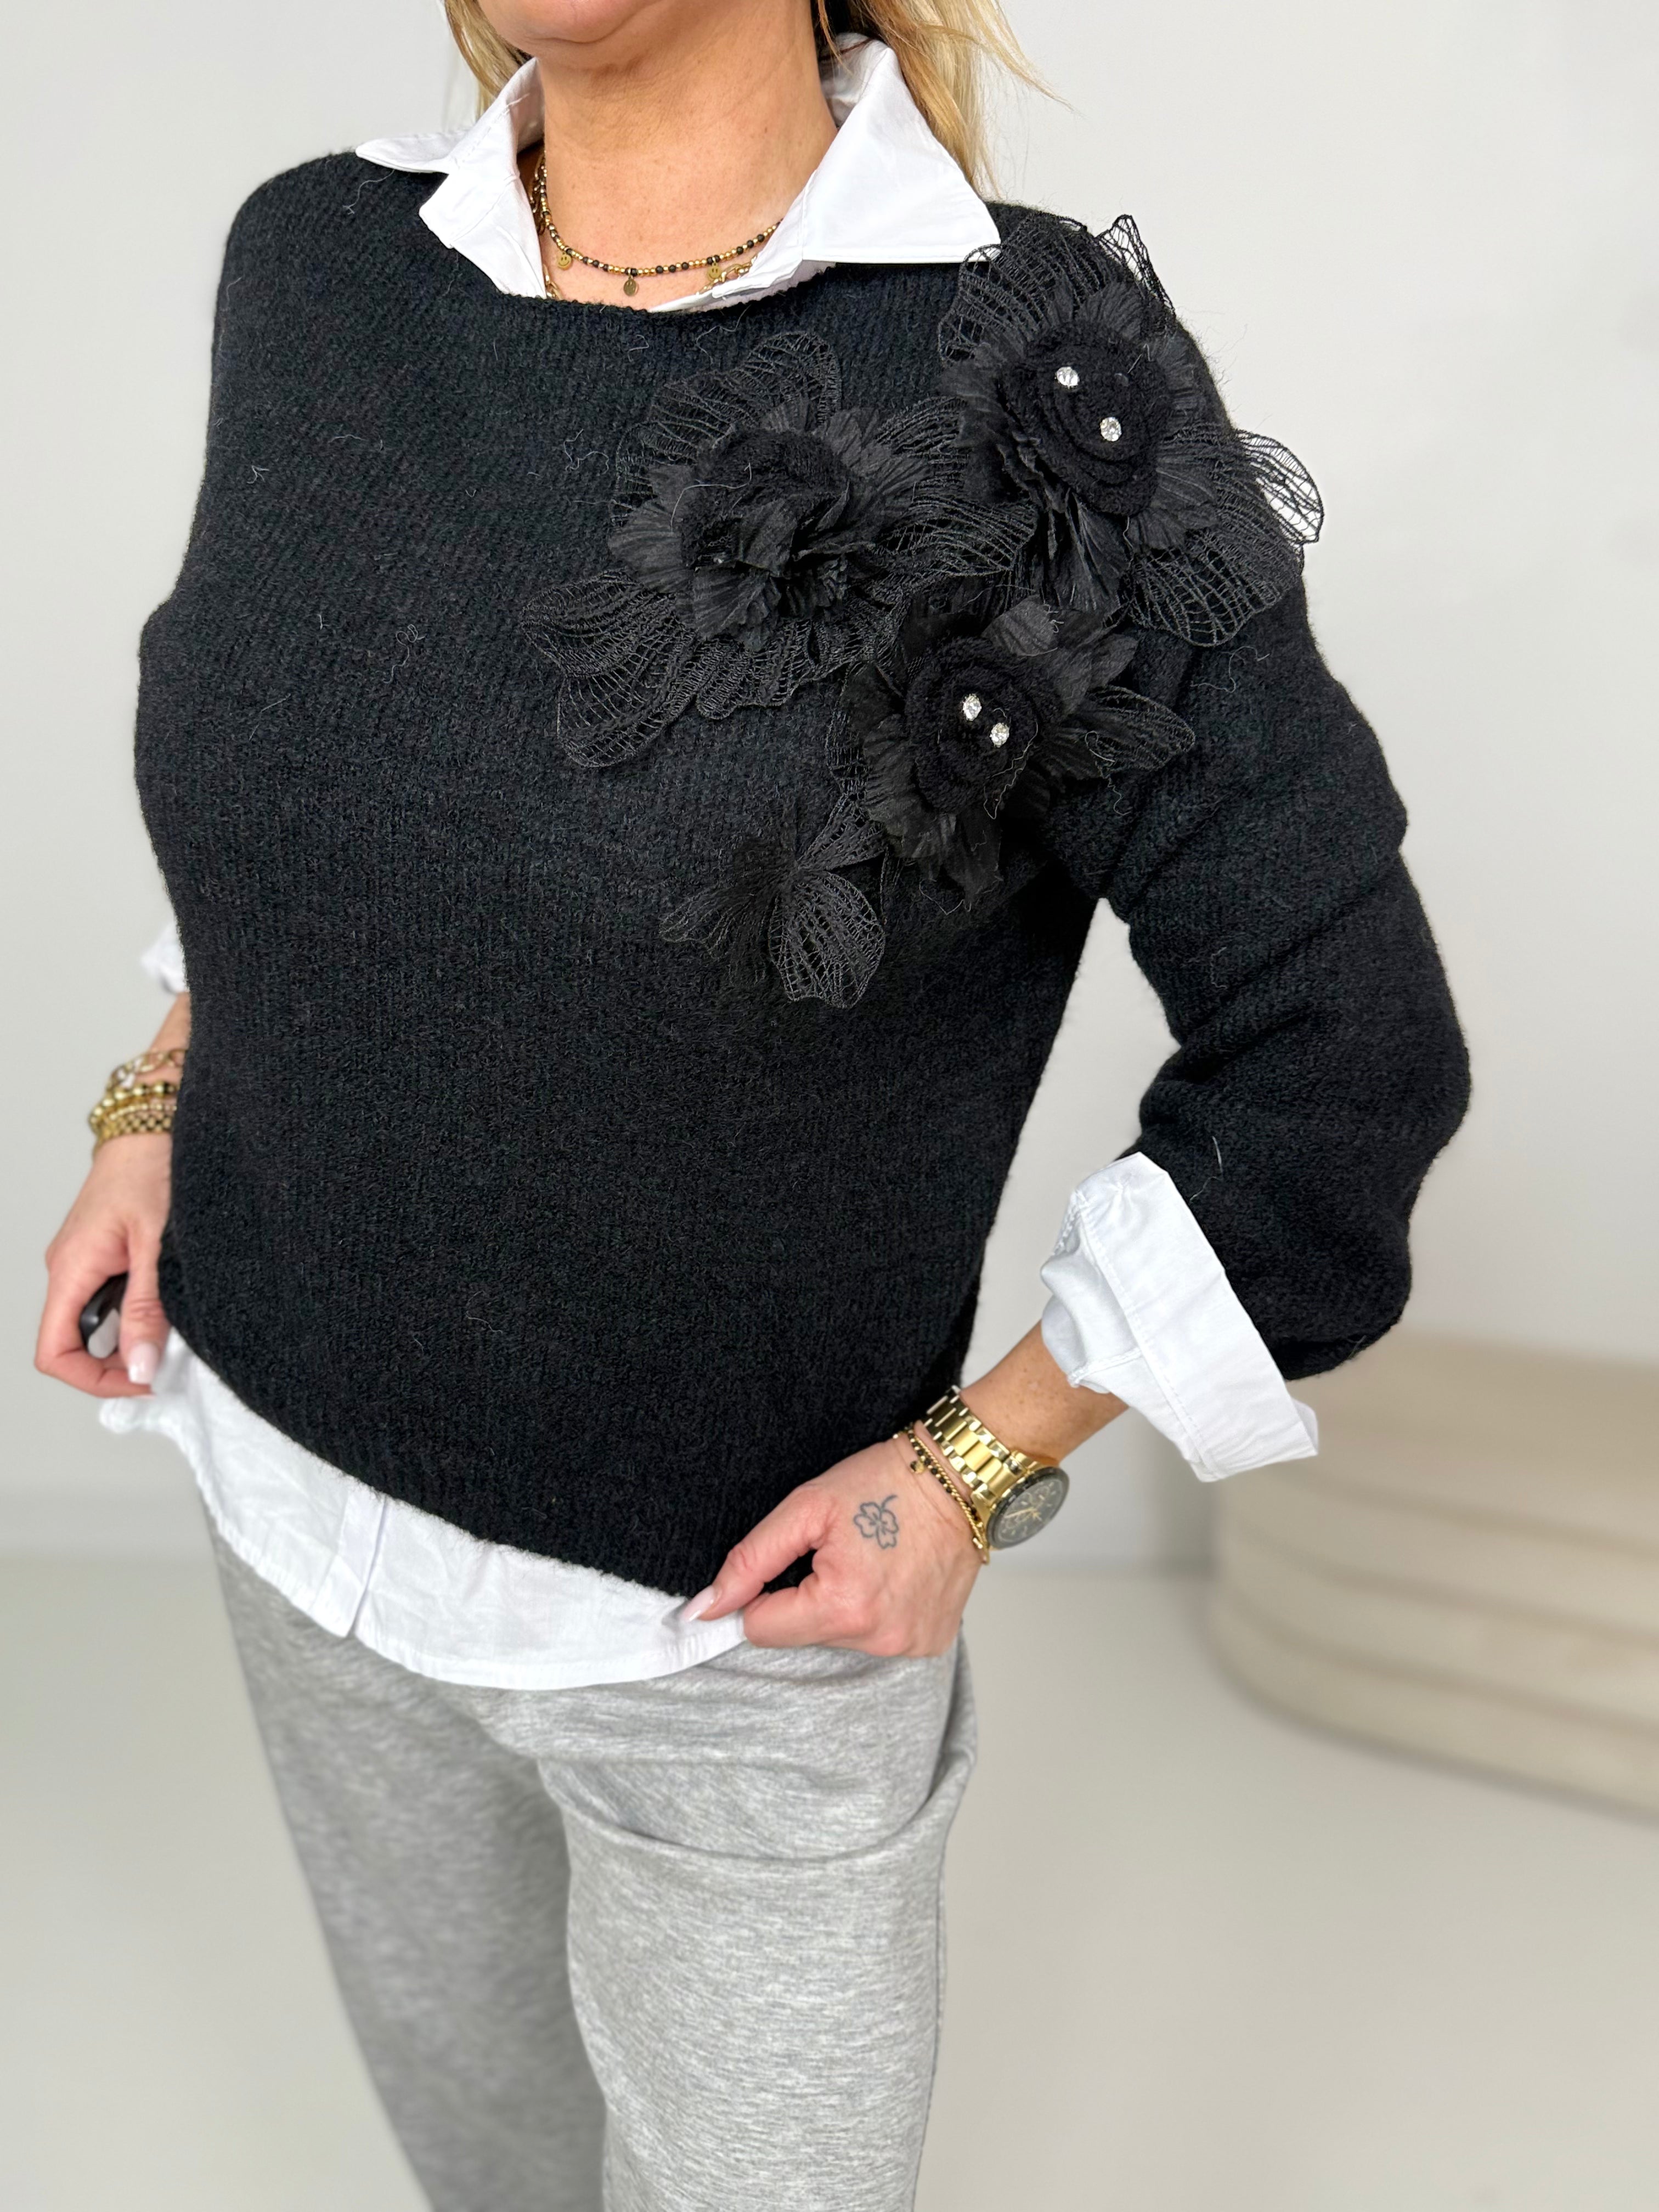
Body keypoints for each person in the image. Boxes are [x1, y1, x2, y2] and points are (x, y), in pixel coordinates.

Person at [36, 2, 1470, 2205]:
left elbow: (1343, 1045)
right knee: (494, 2178)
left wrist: (982, 1462)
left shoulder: (1031, 387)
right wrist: (157, 1097)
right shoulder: (316, 270)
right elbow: (314, 797)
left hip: (728, 1640)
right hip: (286, 1513)